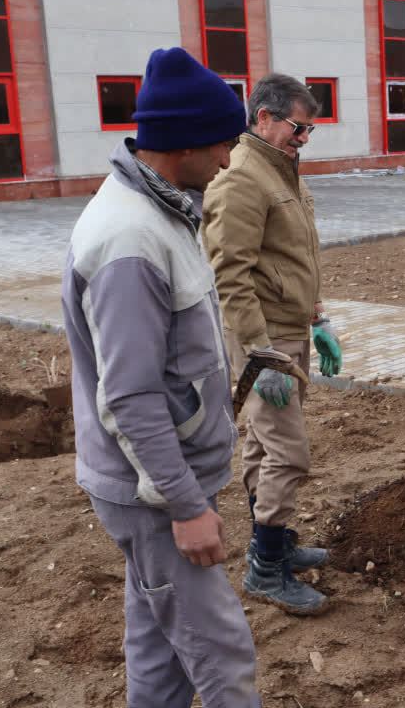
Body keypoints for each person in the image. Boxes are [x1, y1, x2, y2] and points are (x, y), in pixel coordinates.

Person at [61, 47, 260, 706]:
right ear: (185, 141)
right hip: (151, 492)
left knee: (158, 657)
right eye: (225, 143)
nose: (230, 160)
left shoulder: (161, 210)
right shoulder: (130, 238)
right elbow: (131, 394)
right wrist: (185, 505)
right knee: (222, 654)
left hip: (149, 483)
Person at [203, 73, 342, 616]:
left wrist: (317, 317)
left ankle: (277, 544)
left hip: (289, 330)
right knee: (289, 451)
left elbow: (292, 255)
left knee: (265, 443)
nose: (304, 137)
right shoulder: (242, 179)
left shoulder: (281, 169)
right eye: (298, 126)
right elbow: (229, 277)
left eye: (310, 129)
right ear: (263, 117)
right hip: (262, 339)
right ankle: (265, 568)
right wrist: (263, 356)